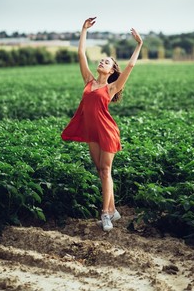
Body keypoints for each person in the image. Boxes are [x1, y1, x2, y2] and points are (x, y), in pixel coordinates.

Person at [61, 17, 143, 231]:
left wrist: (139, 45)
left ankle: (105, 214)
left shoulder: (112, 87)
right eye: (101, 60)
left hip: (107, 131)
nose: (101, 62)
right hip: (91, 131)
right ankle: (114, 211)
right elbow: (81, 54)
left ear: (112, 71)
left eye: (106, 62)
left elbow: (131, 66)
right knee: (101, 170)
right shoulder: (89, 81)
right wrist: (83, 30)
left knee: (106, 170)